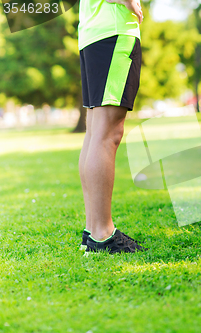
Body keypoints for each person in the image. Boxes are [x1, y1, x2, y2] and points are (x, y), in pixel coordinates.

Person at [78, 0, 145, 253]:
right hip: (113, 31)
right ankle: (102, 234)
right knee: (108, 133)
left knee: (96, 132)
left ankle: (92, 229)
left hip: (94, 33)